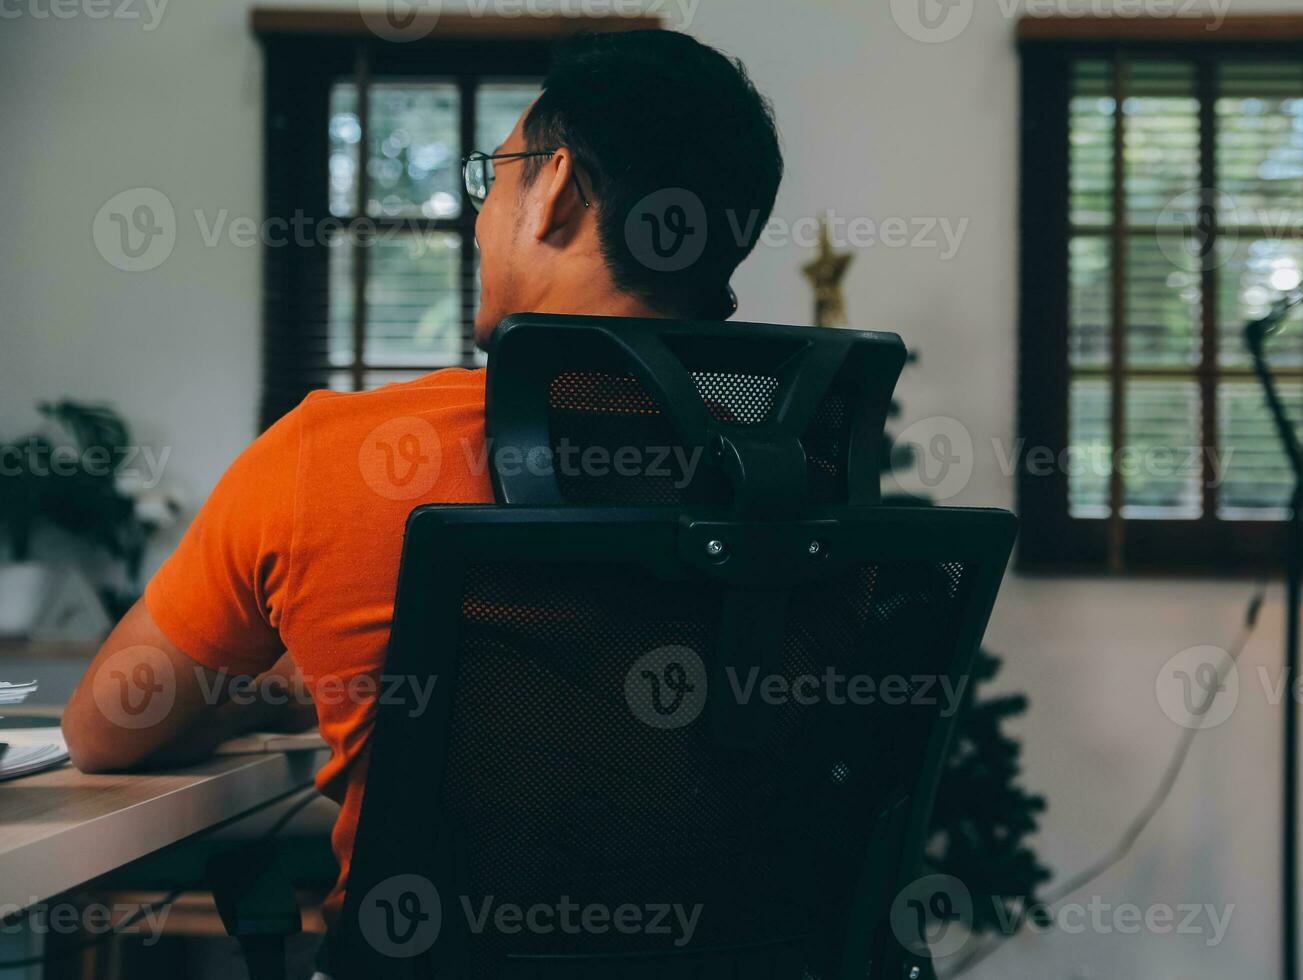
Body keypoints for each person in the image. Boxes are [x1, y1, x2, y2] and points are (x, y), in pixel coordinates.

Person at [60, 27, 783, 930]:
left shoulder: (329, 454)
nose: (480, 214)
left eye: (492, 178)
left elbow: (103, 727)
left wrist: (259, 691)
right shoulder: (801, 483)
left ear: (554, 187)